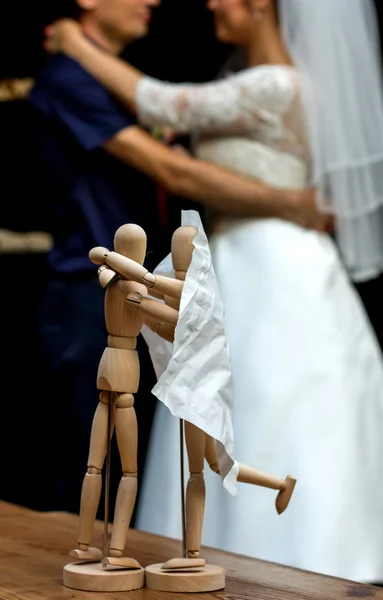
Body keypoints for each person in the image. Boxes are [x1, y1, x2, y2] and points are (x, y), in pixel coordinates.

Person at [43, 0, 383, 584]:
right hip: (254, 258)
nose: (210, 2)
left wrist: (73, 42)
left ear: (263, 7)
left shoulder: (275, 84)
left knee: (260, 392)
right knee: (247, 395)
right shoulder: (273, 84)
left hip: (267, 263)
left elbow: (158, 103)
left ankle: (288, 543)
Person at [29, 0, 326, 515]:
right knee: (88, 459)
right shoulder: (73, 80)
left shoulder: (116, 83)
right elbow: (173, 170)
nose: (153, 1)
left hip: (144, 289)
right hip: (92, 293)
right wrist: (294, 204)